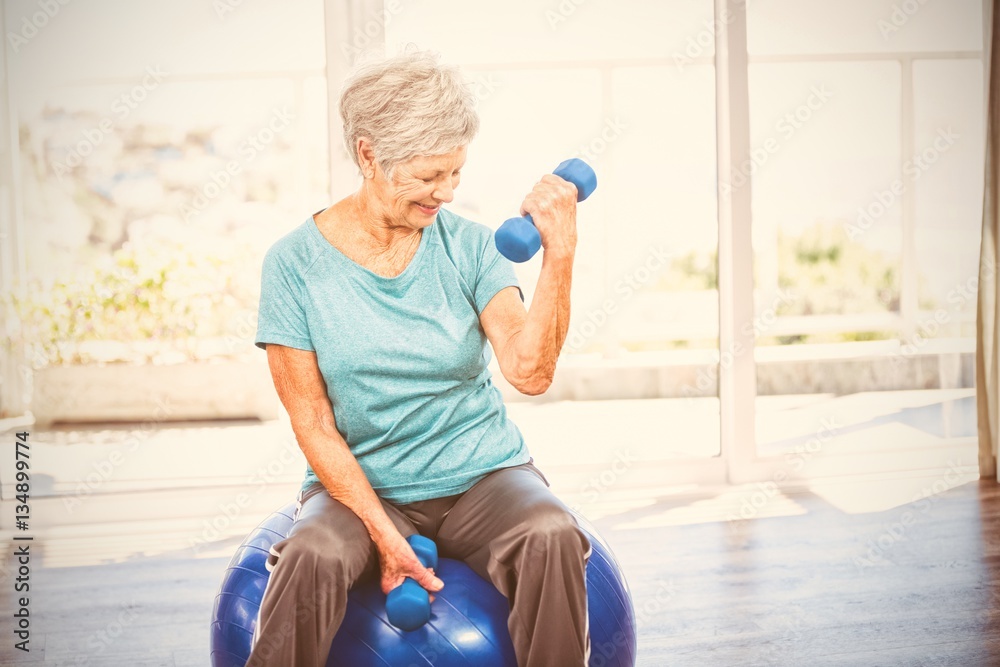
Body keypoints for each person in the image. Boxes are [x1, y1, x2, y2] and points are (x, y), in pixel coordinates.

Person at [247, 49, 590, 667]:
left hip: (483, 478)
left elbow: (529, 372)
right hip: (362, 487)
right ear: (369, 154)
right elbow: (314, 424)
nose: (447, 192)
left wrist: (558, 255)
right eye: (430, 176)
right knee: (314, 554)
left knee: (551, 533)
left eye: (455, 173)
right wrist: (384, 534)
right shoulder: (293, 265)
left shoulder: (472, 248)